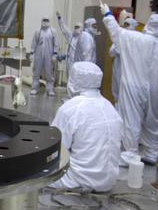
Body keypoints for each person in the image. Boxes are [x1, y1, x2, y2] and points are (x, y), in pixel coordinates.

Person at [101, 6, 158, 162]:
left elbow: (116, 32)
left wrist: (107, 15)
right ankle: (152, 152)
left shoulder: (137, 39)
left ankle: (130, 153)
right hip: (154, 88)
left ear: (149, 24)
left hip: (133, 86)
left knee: (131, 119)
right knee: (152, 120)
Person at [49, 61, 122, 191]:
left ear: (74, 80)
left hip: (78, 180)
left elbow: (55, 147)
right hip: (108, 182)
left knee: (32, 175)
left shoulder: (71, 109)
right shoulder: (110, 107)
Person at [110, 16, 138, 103]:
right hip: (118, 66)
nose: (125, 27)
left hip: (130, 69)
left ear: (133, 26)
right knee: (116, 88)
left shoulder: (138, 39)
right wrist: (118, 48)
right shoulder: (120, 37)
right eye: (124, 24)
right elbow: (111, 52)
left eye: (127, 25)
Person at [29, 18, 57, 94]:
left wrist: (55, 54)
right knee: (36, 71)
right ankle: (34, 88)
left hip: (49, 55)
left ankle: (50, 89)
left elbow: (56, 43)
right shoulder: (38, 31)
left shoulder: (52, 31)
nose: (45, 22)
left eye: (47, 20)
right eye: (44, 20)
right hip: (38, 55)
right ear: (41, 21)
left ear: (49, 21)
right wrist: (31, 53)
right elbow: (34, 43)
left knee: (49, 71)